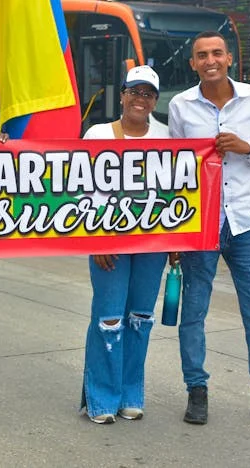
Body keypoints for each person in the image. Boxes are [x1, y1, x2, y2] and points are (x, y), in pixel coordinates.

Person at [168, 31, 250, 427]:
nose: (210, 60)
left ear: (229, 59)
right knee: (193, 313)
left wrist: (248, 148)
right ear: (192, 64)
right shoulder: (181, 105)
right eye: (201, 55)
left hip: (245, 223)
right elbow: (176, 168)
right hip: (199, 224)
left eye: (216, 53)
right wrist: (175, 233)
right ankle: (197, 390)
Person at [78, 66, 169, 424]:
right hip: (108, 241)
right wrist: (96, 237)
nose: (139, 99)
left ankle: (131, 393)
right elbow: (83, 188)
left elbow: (176, 189)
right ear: (122, 95)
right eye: (134, 92)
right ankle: (100, 398)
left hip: (152, 242)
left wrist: (177, 240)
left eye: (147, 94)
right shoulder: (98, 134)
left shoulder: (166, 135)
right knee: (108, 318)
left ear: (155, 101)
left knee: (140, 319)